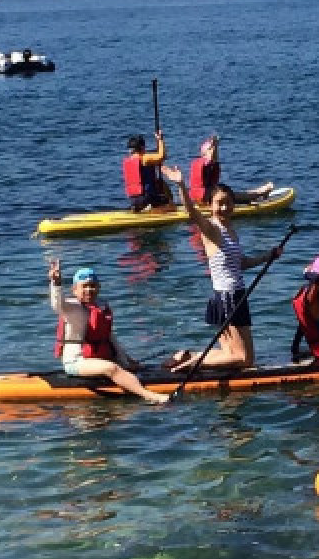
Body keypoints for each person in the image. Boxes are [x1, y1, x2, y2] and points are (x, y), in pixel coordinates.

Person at [160, 165, 283, 372]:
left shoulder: (231, 231)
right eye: (219, 203)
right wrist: (181, 184)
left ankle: (189, 356)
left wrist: (267, 257)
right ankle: (191, 365)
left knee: (242, 357)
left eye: (229, 203)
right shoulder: (212, 229)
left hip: (238, 295)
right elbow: (191, 213)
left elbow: (241, 263)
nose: (225, 208)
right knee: (243, 359)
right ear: (210, 205)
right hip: (227, 298)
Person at [48, 259, 169, 404]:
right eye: (84, 286)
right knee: (112, 368)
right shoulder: (70, 308)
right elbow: (57, 304)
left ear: (98, 288)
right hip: (77, 362)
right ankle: (150, 396)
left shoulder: (101, 307)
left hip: (100, 357)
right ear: (74, 290)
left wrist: (127, 360)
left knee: (130, 367)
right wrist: (56, 284)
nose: (89, 290)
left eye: (93, 286)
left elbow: (110, 337)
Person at [187, 135, 274, 206]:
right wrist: (214, 145)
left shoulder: (211, 164)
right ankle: (260, 193)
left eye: (213, 149)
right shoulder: (200, 162)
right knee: (231, 195)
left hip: (202, 196)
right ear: (204, 153)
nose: (213, 151)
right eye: (210, 149)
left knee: (231, 193)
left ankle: (257, 193)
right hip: (202, 197)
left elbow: (213, 182)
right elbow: (208, 161)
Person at [122, 132, 172, 212]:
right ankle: (164, 207)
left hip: (133, 199)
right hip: (146, 198)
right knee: (167, 199)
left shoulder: (129, 160)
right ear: (142, 147)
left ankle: (139, 207)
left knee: (159, 182)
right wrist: (160, 139)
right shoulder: (144, 158)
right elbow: (162, 156)